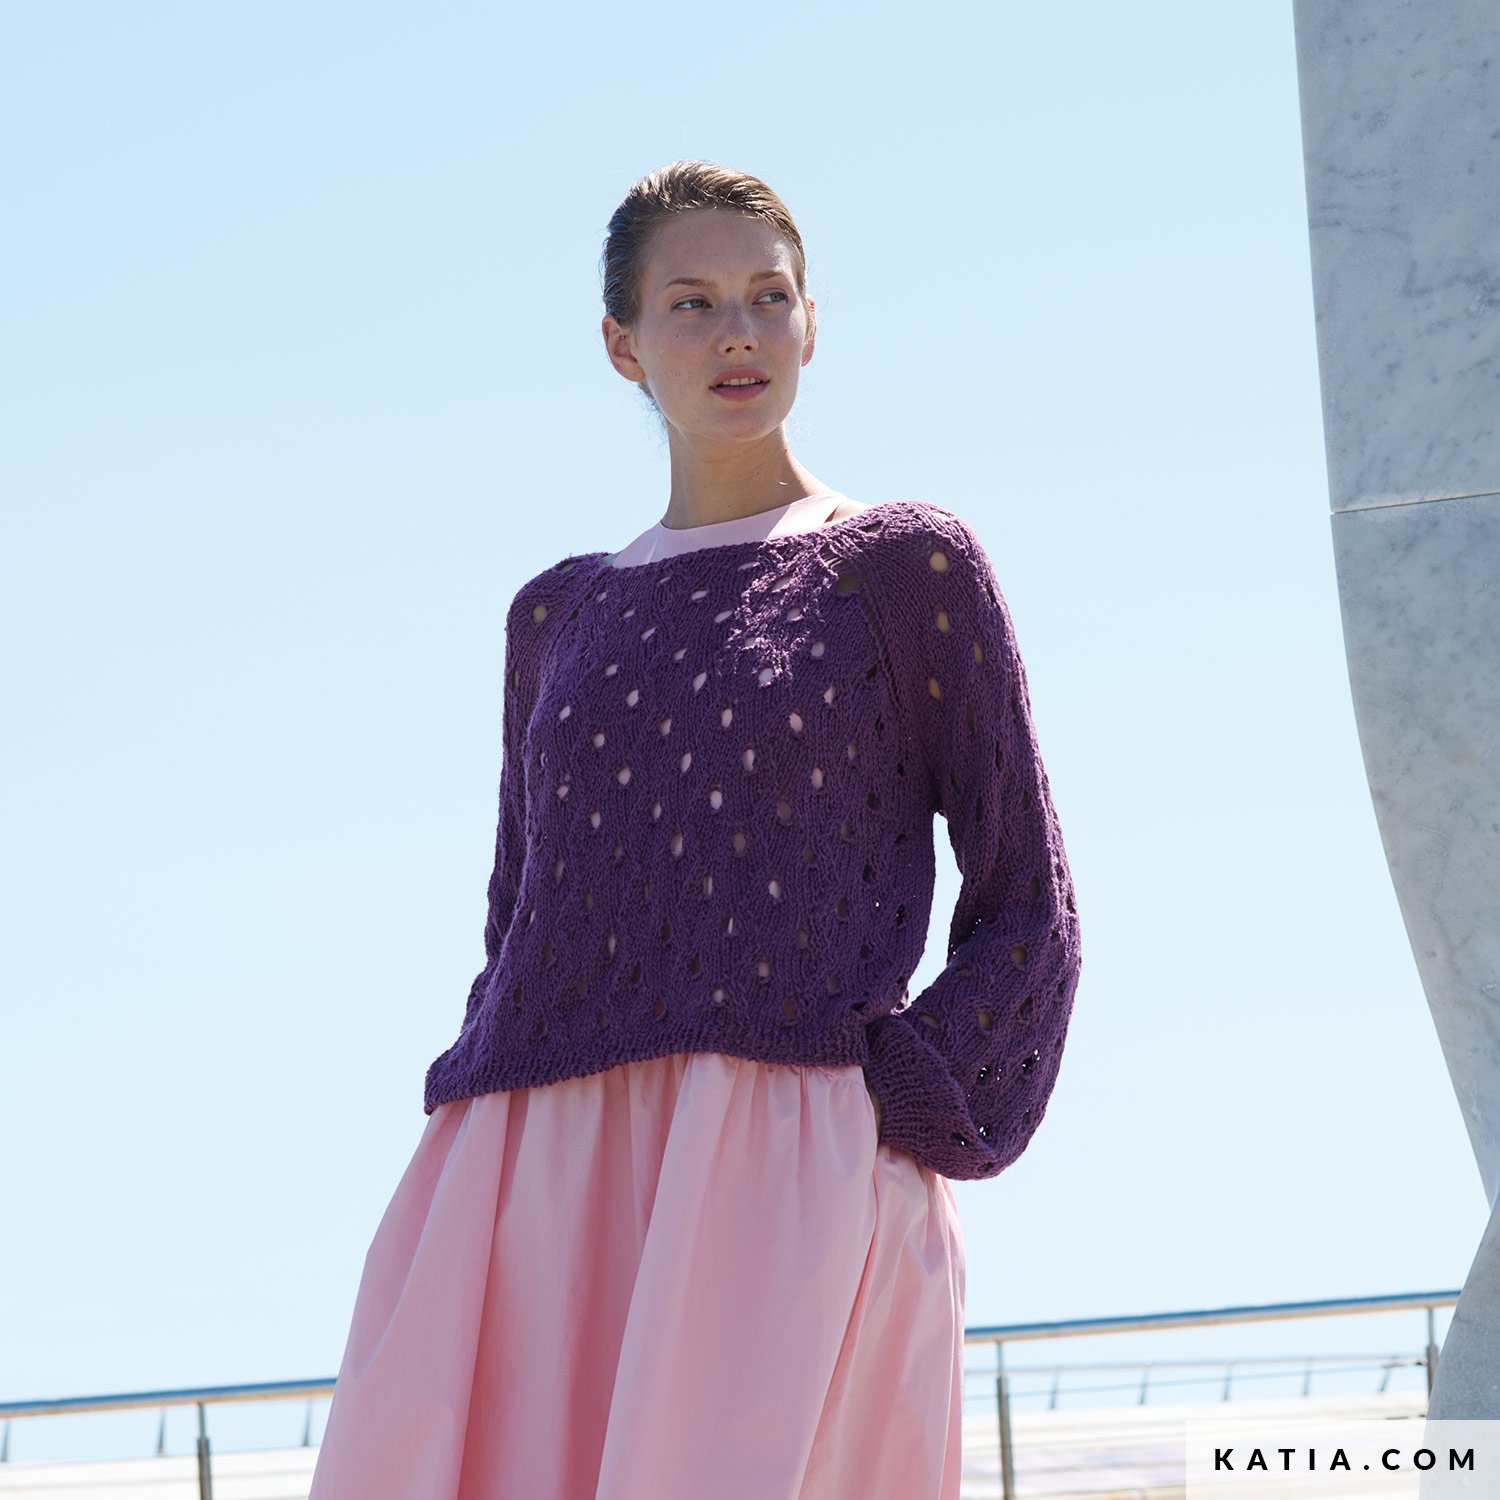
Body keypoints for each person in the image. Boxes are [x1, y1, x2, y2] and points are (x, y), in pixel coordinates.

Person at [307, 159, 1082, 1500]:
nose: (739, 332)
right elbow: (518, 914)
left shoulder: (901, 568)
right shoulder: (556, 615)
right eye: (693, 302)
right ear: (622, 345)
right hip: (532, 1170)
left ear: (812, 324)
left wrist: (901, 1100)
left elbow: (1029, 898)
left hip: (786, 1158)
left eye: (769, 297)